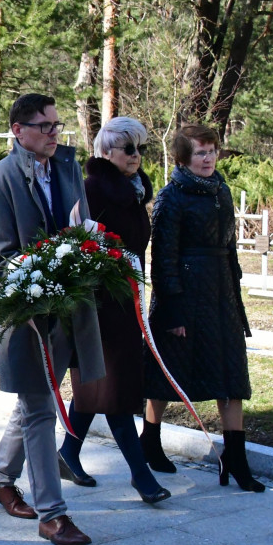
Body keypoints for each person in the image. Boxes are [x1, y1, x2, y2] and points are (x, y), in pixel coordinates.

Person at [0, 93, 104, 545]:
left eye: (56, 125)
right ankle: (53, 515)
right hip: (25, 313)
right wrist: (50, 273)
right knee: (40, 408)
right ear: (18, 130)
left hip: (69, 309)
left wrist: (87, 261)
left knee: (35, 400)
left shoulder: (69, 169)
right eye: (44, 126)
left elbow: (82, 226)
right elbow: (2, 258)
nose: (53, 133)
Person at [54, 117, 170, 504]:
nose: (136, 156)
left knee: (96, 384)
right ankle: (141, 477)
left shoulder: (133, 191)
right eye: (128, 149)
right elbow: (73, 241)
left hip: (125, 302)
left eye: (140, 148)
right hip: (99, 305)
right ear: (106, 152)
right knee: (114, 389)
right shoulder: (93, 190)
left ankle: (68, 453)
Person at [142, 124, 263, 492]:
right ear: (183, 157)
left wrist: (233, 289)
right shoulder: (170, 197)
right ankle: (149, 441)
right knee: (169, 375)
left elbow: (229, 246)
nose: (208, 158)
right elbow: (162, 258)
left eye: (212, 150)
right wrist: (173, 311)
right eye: (200, 152)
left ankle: (236, 460)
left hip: (221, 294)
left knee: (232, 377)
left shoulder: (221, 190)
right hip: (183, 296)